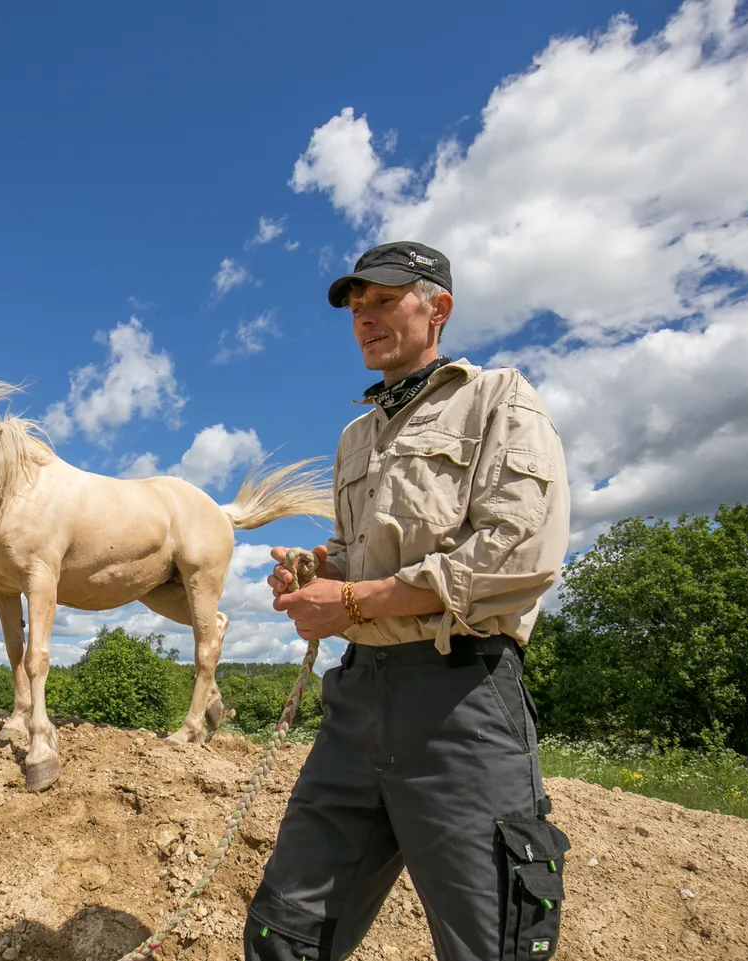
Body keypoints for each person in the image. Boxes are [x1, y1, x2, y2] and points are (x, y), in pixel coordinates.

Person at [245, 242, 572, 961]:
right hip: (357, 700)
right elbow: (360, 553)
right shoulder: (355, 436)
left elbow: (519, 555)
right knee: (283, 935)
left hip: (462, 702)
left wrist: (354, 599)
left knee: (493, 946)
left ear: (439, 308)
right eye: (357, 308)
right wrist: (317, 569)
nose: (365, 319)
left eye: (385, 300)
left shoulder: (499, 399)